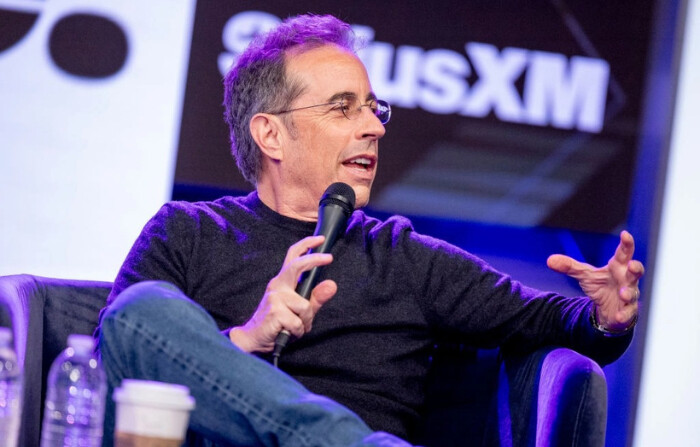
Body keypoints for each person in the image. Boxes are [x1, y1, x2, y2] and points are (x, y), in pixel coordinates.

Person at [96, 13, 644, 447]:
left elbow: (548, 320)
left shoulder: (404, 257)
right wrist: (249, 338)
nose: (373, 126)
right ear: (271, 135)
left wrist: (604, 315)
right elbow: (113, 357)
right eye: (342, 108)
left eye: (372, 107)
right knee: (141, 310)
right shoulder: (188, 232)